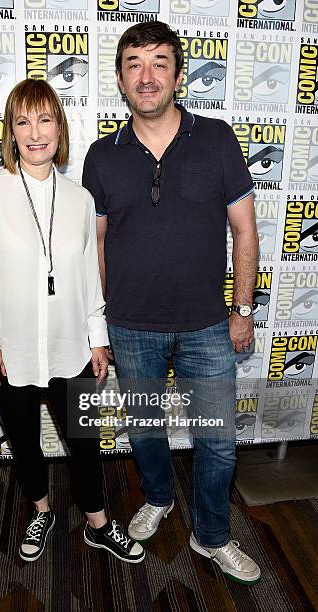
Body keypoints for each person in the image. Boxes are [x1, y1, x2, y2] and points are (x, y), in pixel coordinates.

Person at [83, 22, 261, 584]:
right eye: (134, 63)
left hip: (209, 325)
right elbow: (97, 245)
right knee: (144, 429)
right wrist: (100, 327)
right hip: (131, 326)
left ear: (180, 75)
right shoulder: (100, 155)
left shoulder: (217, 139)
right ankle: (157, 497)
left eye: (160, 62)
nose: (147, 75)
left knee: (219, 443)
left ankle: (211, 536)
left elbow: (245, 231)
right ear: (119, 79)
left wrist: (243, 309)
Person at [0, 78, 144, 565]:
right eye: (23, 121)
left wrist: (97, 338)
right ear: (11, 133)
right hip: (10, 349)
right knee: (25, 442)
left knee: (84, 441)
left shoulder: (80, 199)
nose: (35, 132)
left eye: (45, 119)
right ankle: (41, 510)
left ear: (59, 128)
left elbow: (87, 275)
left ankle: (98, 524)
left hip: (70, 346)